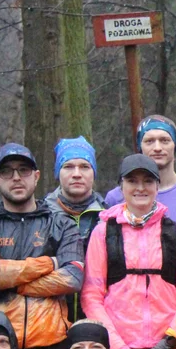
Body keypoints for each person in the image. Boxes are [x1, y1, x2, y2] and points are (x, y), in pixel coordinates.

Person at [0, 143, 84, 349]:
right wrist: (50, 263)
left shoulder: (61, 224)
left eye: (23, 170)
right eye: (7, 172)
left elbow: (73, 278)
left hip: (51, 344)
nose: (16, 177)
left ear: (36, 176)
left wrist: (8, 276)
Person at [81, 154, 176, 349]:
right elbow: (91, 296)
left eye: (148, 181)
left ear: (157, 186)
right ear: (121, 186)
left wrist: (167, 343)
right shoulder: (103, 233)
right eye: (132, 181)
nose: (140, 188)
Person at [45, 136, 105, 323]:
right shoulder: (41, 216)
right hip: (50, 321)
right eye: (68, 167)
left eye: (84, 167)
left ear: (94, 173)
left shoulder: (108, 217)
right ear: (58, 172)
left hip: (98, 322)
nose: (77, 174)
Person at [105, 115, 176, 224]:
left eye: (165, 140)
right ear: (140, 147)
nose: (157, 148)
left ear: (175, 145)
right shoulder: (116, 197)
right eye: (149, 141)